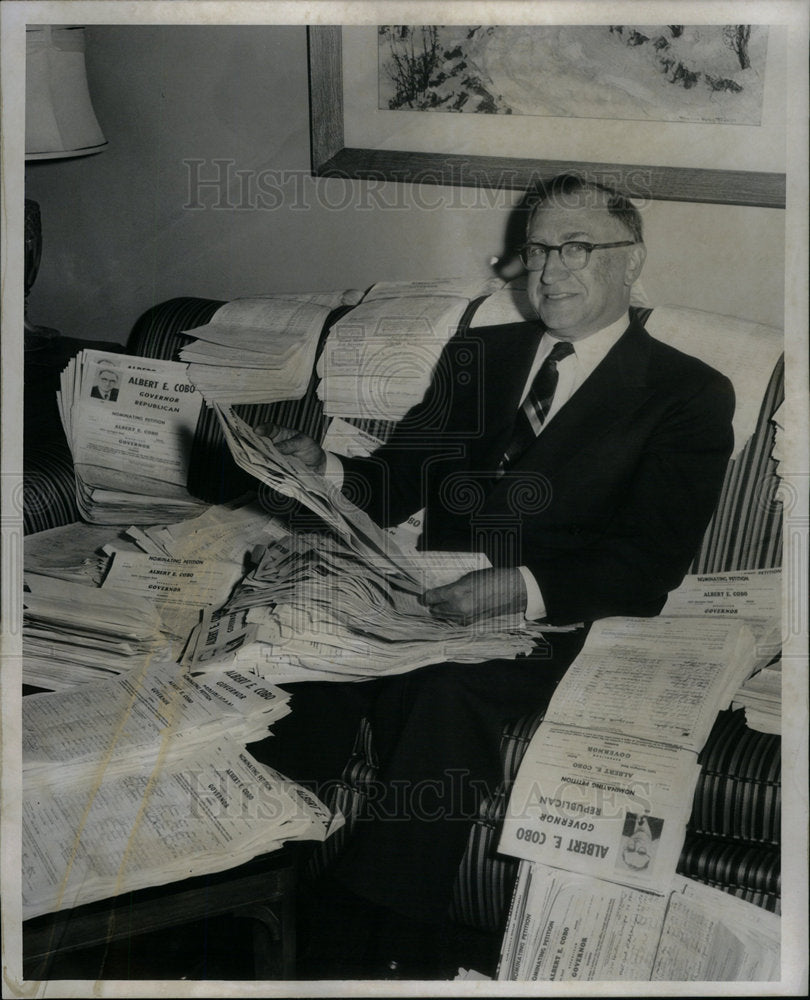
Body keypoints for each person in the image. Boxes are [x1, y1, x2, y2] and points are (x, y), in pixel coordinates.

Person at [248, 174, 735, 978]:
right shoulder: (483, 353)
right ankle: (255, 885)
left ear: (631, 259)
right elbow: (399, 477)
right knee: (301, 652)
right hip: (423, 597)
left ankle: (376, 946)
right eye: (538, 250)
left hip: (563, 619)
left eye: (578, 248)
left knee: (438, 693)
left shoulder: (685, 392)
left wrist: (518, 587)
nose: (551, 271)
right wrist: (323, 469)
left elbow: (648, 560)